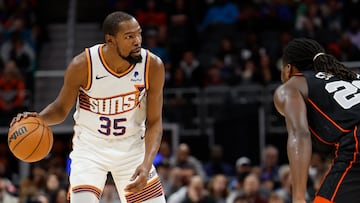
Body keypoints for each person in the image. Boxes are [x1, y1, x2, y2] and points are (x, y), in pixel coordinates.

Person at [11, 11, 166, 203]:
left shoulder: (153, 66)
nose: (137, 41)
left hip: (132, 150)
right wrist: (37, 119)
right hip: (90, 151)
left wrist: (147, 162)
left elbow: (155, 122)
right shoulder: (83, 65)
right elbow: (61, 108)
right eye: (129, 37)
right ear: (110, 40)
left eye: (139, 34)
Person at [273, 38, 360, 203]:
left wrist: (298, 198)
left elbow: (299, 134)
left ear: (288, 69)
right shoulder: (352, 76)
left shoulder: (292, 86)